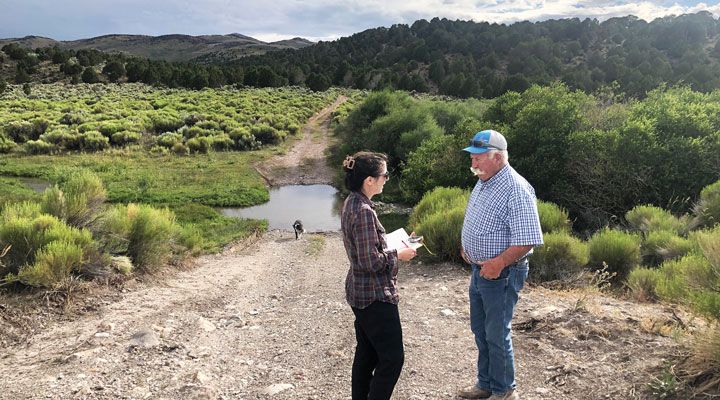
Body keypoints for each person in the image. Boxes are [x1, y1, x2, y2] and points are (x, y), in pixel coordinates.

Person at [457, 130, 543, 400]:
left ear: (497, 157)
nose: (473, 164)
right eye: (472, 158)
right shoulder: (485, 179)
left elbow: (528, 239)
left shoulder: (516, 188)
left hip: (502, 273)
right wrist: (467, 245)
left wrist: (499, 262)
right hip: (480, 269)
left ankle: (505, 391)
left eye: (479, 158)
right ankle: (485, 384)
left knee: (496, 332)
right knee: (481, 330)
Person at [341, 151, 417, 400]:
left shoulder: (352, 201)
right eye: (384, 175)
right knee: (393, 359)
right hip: (374, 295)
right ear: (369, 180)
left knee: (367, 354)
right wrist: (399, 254)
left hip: (360, 293)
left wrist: (391, 244)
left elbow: (367, 250)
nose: (387, 179)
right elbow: (369, 261)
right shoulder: (364, 211)